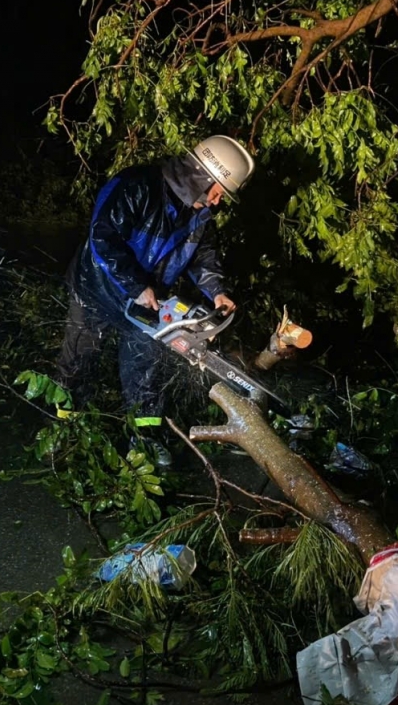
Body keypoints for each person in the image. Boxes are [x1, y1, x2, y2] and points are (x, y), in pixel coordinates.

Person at [54, 135, 255, 463]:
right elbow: (102, 237)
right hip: (97, 288)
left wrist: (216, 290)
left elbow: (202, 254)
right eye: (219, 190)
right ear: (202, 177)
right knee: (78, 360)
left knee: (145, 368)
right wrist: (135, 285)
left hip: (148, 303)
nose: (218, 201)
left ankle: (144, 440)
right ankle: (66, 432)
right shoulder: (136, 186)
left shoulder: (198, 213)